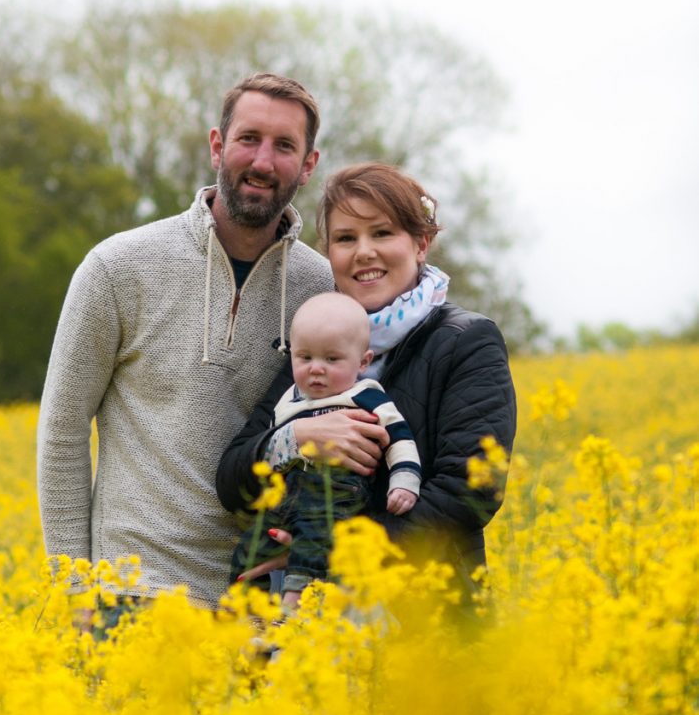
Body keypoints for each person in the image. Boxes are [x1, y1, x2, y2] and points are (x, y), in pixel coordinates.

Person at [37, 73, 334, 616]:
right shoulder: (117, 267)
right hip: (131, 596)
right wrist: (75, 588)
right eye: (248, 139)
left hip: (256, 610)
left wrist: (308, 556)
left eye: (284, 146)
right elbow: (63, 429)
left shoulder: (322, 289)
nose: (263, 161)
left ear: (308, 165)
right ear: (217, 146)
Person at [217, 162, 517, 603]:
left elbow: (469, 491)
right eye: (345, 238)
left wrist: (331, 553)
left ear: (421, 243)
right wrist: (298, 438)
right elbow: (233, 480)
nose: (363, 252)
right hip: (306, 623)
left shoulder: (466, 341)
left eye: (382, 233)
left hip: (422, 613)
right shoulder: (318, 344)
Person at [230, 291, 422, 594]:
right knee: (251, 547)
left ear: (363, 362)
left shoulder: (365, 395)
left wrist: (404, 481)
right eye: (305, 358)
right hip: (288, 495)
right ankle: (251, 606)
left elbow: (400, 438)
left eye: (332, 359)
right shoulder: (287, 401)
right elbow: (270, 452)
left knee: (314, 538)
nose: (316, 369)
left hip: (338, 492)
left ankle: (295, 606)